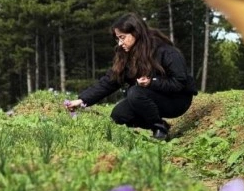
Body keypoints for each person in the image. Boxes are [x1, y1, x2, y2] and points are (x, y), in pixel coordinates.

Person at [66, 13, 197, 140]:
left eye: (122, 37)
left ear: (136, 33)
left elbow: (179, 82)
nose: (120, 43)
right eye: (117, 39)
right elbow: (110, 81)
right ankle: (162, 124)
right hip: (148, 97)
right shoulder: (126, 55)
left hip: (177, 100)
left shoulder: (166, 51)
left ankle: (158, 129)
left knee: (135, 92)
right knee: (119, 115)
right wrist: (82, 100)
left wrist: (151, 82)